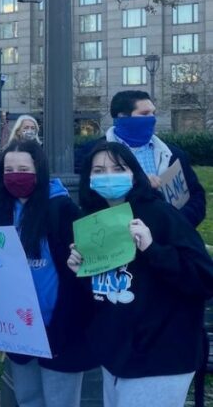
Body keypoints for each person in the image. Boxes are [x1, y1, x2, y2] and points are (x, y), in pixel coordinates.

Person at [68, 141, 213, 407]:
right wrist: (82, 272)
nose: (108, 175)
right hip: (115, 356)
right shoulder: (92, 222)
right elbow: (104, 294)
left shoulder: (161, 215)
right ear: (88, 178)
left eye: (117, 168)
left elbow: (204, 279)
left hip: (160, 356)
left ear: (134, 173)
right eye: (98, 170)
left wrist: (152, 248)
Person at [0, 140, 96, 407]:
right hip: (20, 326)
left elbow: (80, 269)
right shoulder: (0, 208)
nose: (15, 176)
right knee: (28, 399)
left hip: (61, 325)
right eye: (8, 170)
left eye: (23, 168)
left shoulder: (62, 209)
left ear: (39, 170)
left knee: (60, 401)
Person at [74, 90, 205, 227]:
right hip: (114, 236)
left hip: (167, 238)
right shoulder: (89, 153)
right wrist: (139, 182)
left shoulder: (174, 154)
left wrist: (176, 223)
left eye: (153, 113)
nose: (152, 118)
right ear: (122, 116)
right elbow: (83, 198)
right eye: (144, 114)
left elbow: (196, 196)